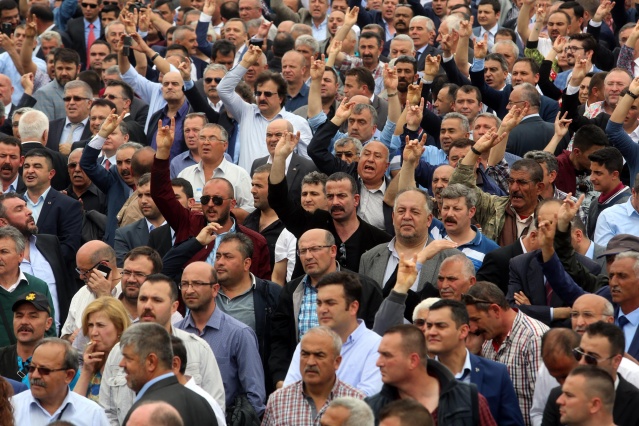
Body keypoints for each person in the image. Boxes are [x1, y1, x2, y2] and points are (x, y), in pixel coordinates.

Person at [99, 274, 225, 424]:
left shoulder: (198, 349)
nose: (147, 306)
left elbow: (214, 408)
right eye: (143, 299)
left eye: (157, 300)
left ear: (174, 307)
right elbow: (107, 413)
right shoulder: (118, 352)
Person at [268, 228, 383, 389]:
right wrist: (281, 380)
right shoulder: (291, 291)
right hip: (301, 387)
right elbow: (280, 341)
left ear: (333, 250)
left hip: (354, 384)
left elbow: (377, 331)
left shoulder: (364, 288)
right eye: (303, 251)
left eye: (315, 249)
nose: (308, 256)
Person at [175, 261, 265, 416]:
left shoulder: (239, 334)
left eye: (197, 283)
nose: (189, 290)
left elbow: (254, 397)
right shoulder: (174, 333)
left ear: (215, 289)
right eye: (184, 284)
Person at [365, 324, 496, 425]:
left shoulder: (468, 399)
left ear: (413, 360)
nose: (378, 363)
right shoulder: (372, 408)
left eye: (387, 355)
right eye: (380, 355)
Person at [426, 299, 524, 425]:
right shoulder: (420, 376)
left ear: (463, 331)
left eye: (440, 326)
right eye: (429, 326)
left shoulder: (496, 373)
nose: (431, 332)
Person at [463, 281, 549, 425]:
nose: (472, 328)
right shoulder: (486, 338)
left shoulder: (534, 337)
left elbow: (544, 406)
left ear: (495, 310)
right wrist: (474, 352)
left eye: (476, 319)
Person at [283, 271, 382, 396]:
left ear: (353, 307)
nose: (322, 310)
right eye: (319, 303)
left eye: (330, 303)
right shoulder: (307, 344)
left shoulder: (376, 346)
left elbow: (368, 398)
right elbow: (288, 394)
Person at [217, 44, 313, 171]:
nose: (262, 98)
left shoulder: (297, 122)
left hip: (282, 183)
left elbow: (308, 162)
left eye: (268, 94)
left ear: (280, 97)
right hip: (249, 182)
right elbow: (223, 89)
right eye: (258, 93)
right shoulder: (246, 113)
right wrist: (245, 63)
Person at [118, 322, 218, 425]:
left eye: (128, 358)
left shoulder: (143, 413)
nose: (121, 364)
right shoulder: (202, 403)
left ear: (151, 362)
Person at [262, 326, 365, 425]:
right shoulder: (278, 400)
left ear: (337, 362)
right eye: (305, 354)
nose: (310, 362)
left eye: (319, 355)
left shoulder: (357, 403)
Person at [542, 322, 639, 426]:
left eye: (591, 358)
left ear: (616, 361)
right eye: (578, 354)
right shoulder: (558, 396)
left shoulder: (636, 403)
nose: (581, 362)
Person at [11, 338, 109, 425]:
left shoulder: (92, 414)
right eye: (31, 368)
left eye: (44, 370)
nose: (35, 375)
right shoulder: (11, 408)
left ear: (68, 375)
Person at [0, 225, 55, 347]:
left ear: (20, 255)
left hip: (32, 358)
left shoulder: (39, 286)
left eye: (4, 252)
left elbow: (50, 333)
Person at [73, 297, 131, 402]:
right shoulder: (93, 362)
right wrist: (86, 371)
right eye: (90, 325)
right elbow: (76, 405)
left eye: (100, 325)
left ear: (120, 328)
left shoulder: (128, 363)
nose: (93, 332)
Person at [60, 240, 120, 341]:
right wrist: (70, 338)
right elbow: (64, 336)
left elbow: (123, 335)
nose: (81, 276)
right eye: (79, 270)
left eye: (85, 271)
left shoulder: (128, 292)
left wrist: (104, 295)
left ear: (104, 266)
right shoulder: (82, 293)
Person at [0, 291, 53, 385]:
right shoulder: (2, 357)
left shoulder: (58, 362)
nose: (24, 322)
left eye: (33, 316)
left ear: (48, 323)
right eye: (19, 316)